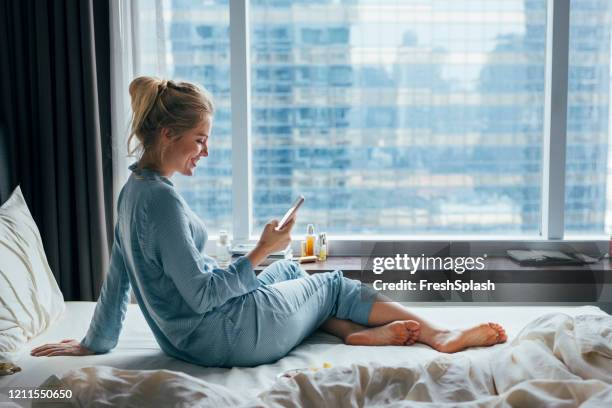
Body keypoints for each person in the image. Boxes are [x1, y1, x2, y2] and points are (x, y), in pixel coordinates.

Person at [31, 77, 507, 367]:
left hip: (190, 340)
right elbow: (200, 294)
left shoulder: (131, 193)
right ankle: (437, 334)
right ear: (168, 133)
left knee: (292, 272)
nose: (205, 152)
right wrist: (260, 251)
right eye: (199, 140)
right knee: (332, 282)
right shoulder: (162, 203)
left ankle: (347, 333)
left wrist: (97, 342)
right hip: (226, 338)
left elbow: (118, 276)